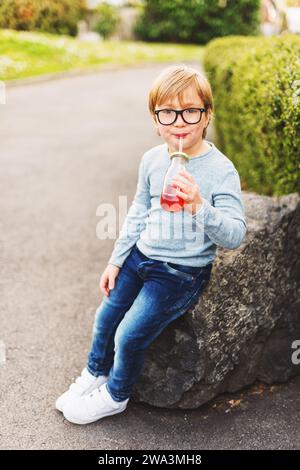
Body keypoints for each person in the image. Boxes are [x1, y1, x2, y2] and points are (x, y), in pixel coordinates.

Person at [56, 64, 247, 425]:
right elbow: (139, 212)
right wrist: (116, 260)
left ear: (207, 115)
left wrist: (198, 206)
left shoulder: (221, 170)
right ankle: (95, 371)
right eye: (168, 113)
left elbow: (235, 235)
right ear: (155, 121)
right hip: (141, 257)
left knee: (129, 334)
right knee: (106, 316)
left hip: (180, 273)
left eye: (190, 111)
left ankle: (115, 394)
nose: (179, 122)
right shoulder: (152, 160)